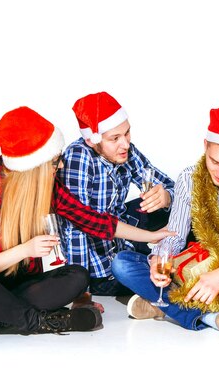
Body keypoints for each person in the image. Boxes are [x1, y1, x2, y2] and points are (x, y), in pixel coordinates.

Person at [0, 106, 172, 344]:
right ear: (33, 167)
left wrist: (151, 235)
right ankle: (47, 322)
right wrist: (25, 250)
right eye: (55, 161)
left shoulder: (47, 188)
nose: (61, 166)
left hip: (13, 289)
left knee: (77, 276)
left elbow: (94, 221)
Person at [112, 106, 219, 338]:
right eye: (215, 162)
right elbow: (174, 235)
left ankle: (164, 306)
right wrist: (159, 260)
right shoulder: (188, 178)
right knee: (122, 263)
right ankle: (208, 317)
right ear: (205, 146)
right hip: (198, 270)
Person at [58, 92, 175, 308]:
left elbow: (171, 186)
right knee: (130, 268)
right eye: (115, 138)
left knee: (184, 210)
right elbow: (76, 227)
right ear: (92, 140)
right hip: (100, 268)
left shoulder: (124, 151)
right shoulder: (79, 157)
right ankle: (162, 285)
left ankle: (179, 265)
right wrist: (81, 293)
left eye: (127, 132)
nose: (125, 144)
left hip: (123, 241)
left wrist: (166, 197)